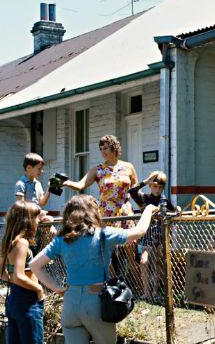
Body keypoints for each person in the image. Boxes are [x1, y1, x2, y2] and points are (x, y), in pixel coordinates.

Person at [29, 195, 157, 344]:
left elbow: (34, 265)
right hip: (96, 302)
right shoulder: (104, 234)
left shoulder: (62, 239)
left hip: (70, 303)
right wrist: (148, 209)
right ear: (93, 212)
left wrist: (58, 289)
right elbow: (140, 231)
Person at [0, 201, 45, 344]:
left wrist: (15, 280)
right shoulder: (22, 243)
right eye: (35, 217)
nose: (38, 221)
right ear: (27, 220)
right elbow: (19, 275)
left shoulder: (9, 241)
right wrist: (39, 288)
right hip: (28, 301)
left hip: (14, 299)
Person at [61, 135, 139, 227]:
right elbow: (80, 185)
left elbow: (136, 190)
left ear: (114, 148)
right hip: (106, 213)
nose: (103, 152)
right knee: (108, 240)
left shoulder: (128, 167)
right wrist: (66, 183)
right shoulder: (97, 170)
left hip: (125, 212)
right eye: (101, 149)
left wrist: (145, 206)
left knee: (128, 241)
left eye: (105, 148)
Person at [129, 171, 176, 300]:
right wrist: (146, 181)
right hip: (146, 233)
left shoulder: (164, 200)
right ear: (151, 186)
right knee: (144, 262)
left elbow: (174, 213)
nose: (157, 189)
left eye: (160, 187)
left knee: (157, 263)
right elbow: (132, 191)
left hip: (160, 234)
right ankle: (146, 292)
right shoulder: (144, 198)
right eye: (155, 186)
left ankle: (155, 293)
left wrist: (173, 216)